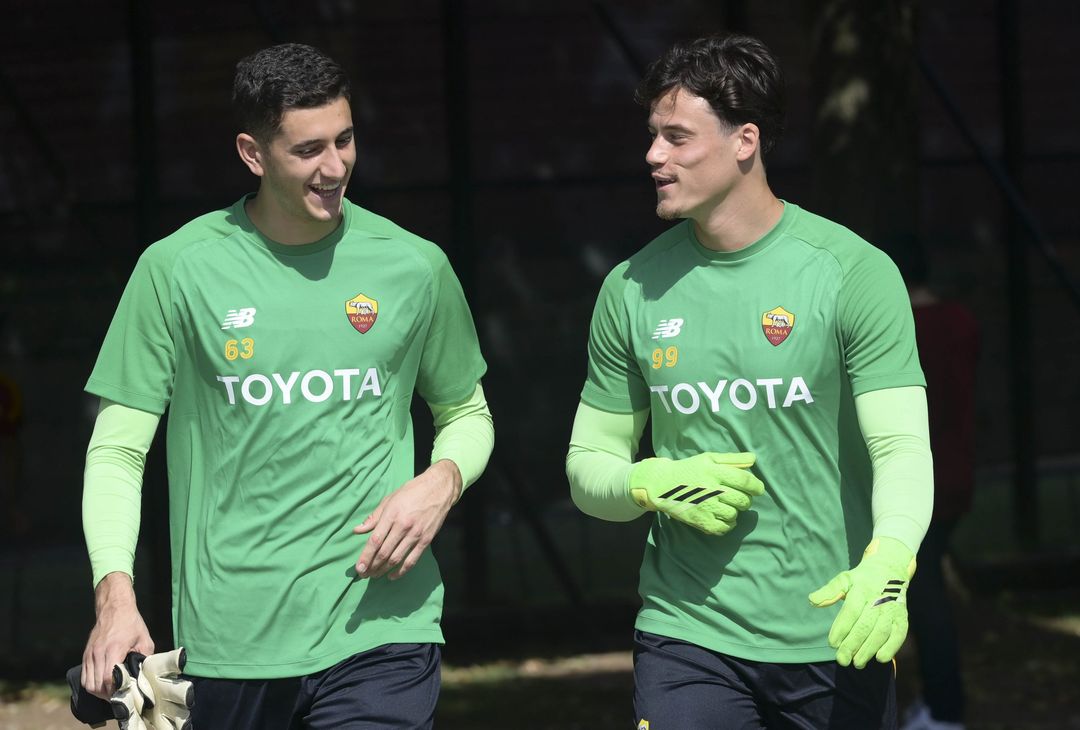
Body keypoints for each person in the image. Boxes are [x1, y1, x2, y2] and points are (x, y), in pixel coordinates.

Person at [79, 42, 493, 729]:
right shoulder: (176, 270)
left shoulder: (416, 266)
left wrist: (442, 479)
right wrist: (114, 594)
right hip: (231, 643)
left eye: (346, 139)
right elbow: (118, 451)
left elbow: (467, 411)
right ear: (252, 153)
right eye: (308, 150)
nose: (336, 167)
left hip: (382, 627)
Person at [566, 34, 933, 728]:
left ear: (745, 142)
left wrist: (890, 558)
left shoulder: (853, 272)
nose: (654, 156)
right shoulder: (631, 289)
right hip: (688, 632)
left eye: (677, 137)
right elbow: (590, 465)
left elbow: (902, 449)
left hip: (834, 626)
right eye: (652, 136)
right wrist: (643, 483)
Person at [897, 248, 978, 730]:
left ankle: (944, 710)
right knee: (925, 585)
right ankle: (938, 703)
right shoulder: (961, 322)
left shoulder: (904, 330)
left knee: (924, 594)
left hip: (919, 476)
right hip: (956, 470)